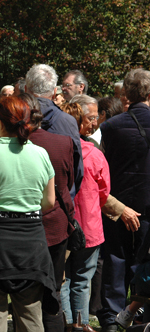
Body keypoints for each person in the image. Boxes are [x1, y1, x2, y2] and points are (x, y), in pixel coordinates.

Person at [0, 96, 58, 332]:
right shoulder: (40, 155)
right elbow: (49, 202)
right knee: (31, 320)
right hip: (31, 248)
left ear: (0, 124)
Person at [98, 68, 150, 332]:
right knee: (145, 263)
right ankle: (140, 315)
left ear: (127, 94)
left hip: (117, 203)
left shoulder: (109, 127)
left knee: (115, 259)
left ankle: (111, 318)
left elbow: (102, 168)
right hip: (148, 206)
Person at [19, 93, 73, 332]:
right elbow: (70, 182)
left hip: (22, 224)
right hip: (56, 224)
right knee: (53, 290)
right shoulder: (64, 143)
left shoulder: (13, 145)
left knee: (25, 290)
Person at [62, 102, 111, 332]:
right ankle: (80, 325)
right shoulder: (95, 154)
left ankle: (65, 324)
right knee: (82, 281)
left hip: (62, 226)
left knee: (63, 280)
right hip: (90, 226)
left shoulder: (57, 151)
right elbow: (104, 192)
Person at [25, 63, 83, 203]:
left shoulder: (10, 117)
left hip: (17, 206)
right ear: (54, 91)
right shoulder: (68, 122)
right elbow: (77, 169)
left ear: (26, 89)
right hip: (58, 205)